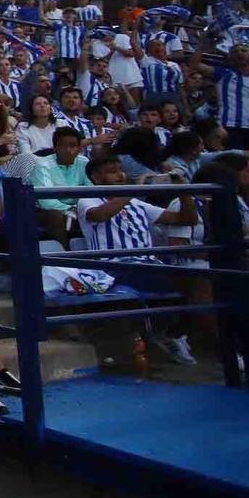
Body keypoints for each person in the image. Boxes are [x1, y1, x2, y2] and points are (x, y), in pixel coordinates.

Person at [77, 152, 200, 363]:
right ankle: (163, 334)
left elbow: (187, 219)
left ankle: (172, 333)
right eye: (112, 172)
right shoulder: (87, 199)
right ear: (96, 178)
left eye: (120, 170)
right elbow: (99, 215)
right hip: (112, 268)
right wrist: (131, 191)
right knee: (167, 279)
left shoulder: (137, 203)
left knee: (199, 278)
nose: (120, 175)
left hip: (150, 264)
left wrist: (184, 192)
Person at [31, 127, 91, 246]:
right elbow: (46, 201)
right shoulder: (42, 164)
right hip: (43, 210)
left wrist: (76, 208)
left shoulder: (84, 162)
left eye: (73, 146)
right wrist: (69, 210)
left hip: (77, 208)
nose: (68, 150)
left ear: (79, 149)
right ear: (55, 148)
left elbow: (91, 192)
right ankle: (65, 257)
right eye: (63, 146)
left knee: (96, 211)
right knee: (56, 215)